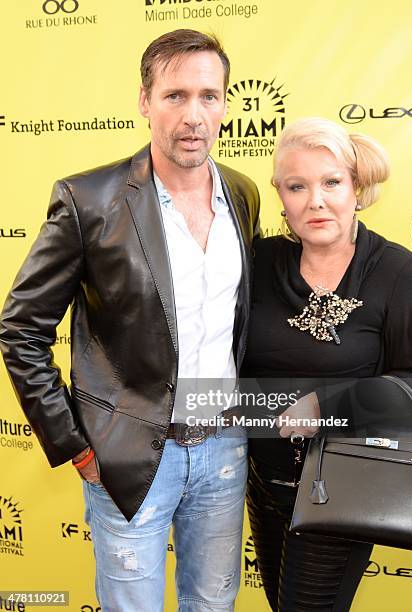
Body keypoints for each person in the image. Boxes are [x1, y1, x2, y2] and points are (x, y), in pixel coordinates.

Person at [0, 29, 260, 612]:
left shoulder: (242, 194)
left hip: (223, 445)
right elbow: (21, 328)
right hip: (130, 454)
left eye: (209, 96)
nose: (194, 115)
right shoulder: (88, 200)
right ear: (145, 100)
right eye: (175, 96)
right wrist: (75, 445)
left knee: (213, 604)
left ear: (224, 102)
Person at [242, 117, 412, 611]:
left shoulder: (399, 274)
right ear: (280, 195)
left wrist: (330, 404)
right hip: (263, 483)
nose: (315, 201)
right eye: (297, 186)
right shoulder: (258, 263)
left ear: (357, 187)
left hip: (340, 485)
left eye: (331, 182)